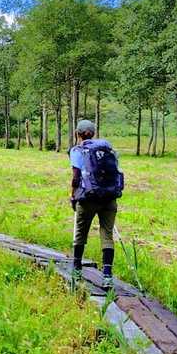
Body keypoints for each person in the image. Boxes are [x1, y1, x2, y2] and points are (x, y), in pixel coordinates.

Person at [68, 118, 124, 288]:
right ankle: (107, 276)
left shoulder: (77, 150)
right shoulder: (106, 148)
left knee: (80, 233)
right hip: (109, 198)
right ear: (93, 133)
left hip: (88, 198)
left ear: (77, 134)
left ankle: (76, 270)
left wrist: (73, 196)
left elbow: (76, 177)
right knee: (107, 235)